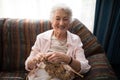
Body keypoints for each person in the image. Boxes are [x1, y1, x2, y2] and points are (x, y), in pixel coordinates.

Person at [25, 4, 91, 80]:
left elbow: (85, 67)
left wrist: (68, 59)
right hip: (41, 74)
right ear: (52, 21)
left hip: (62, 75)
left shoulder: (75, 39)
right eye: (57, 19)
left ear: (69, 22)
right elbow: (28, 65)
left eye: (65, 19)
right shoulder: (41, 37)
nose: (61, 23)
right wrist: (35, 59)